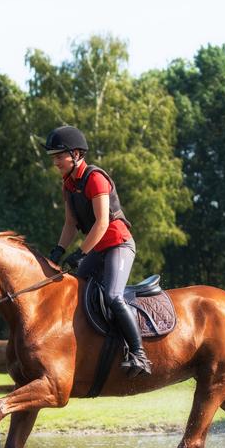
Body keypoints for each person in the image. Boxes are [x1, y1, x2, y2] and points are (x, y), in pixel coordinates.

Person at [43, 125, 152, 377]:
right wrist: (58, 250)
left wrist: (81, 252)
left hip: (118, 245)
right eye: (54, 157)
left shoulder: (95, 178)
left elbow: (103, 222)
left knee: (113, 296)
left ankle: (139, 353)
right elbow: (70, 223)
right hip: (98, 248)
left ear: (77, 154)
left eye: (60, 155)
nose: (56, 161)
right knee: (74, 291)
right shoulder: (68, 185)